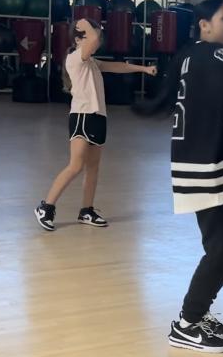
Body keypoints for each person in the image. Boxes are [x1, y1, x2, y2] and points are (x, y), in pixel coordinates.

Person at [135, 0, 223, 353]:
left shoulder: (191, 55)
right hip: (203, 164)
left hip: (213, 160)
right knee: (222, 246)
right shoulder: (210, 53)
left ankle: (198, 314)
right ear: (204, 25)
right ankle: (186, 324)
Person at [34, 18, 157, 231]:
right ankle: (46, 207)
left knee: (93, 168)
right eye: (93, 37)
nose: (97, 40)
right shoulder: (75, 58)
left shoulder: (91, 61)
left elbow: (117, 66)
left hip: (98, 117)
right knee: (75, 166)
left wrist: (143, 69)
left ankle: (86, 210)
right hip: (82, 116)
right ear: (77, 40)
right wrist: (85, 24)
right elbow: (92, 40)